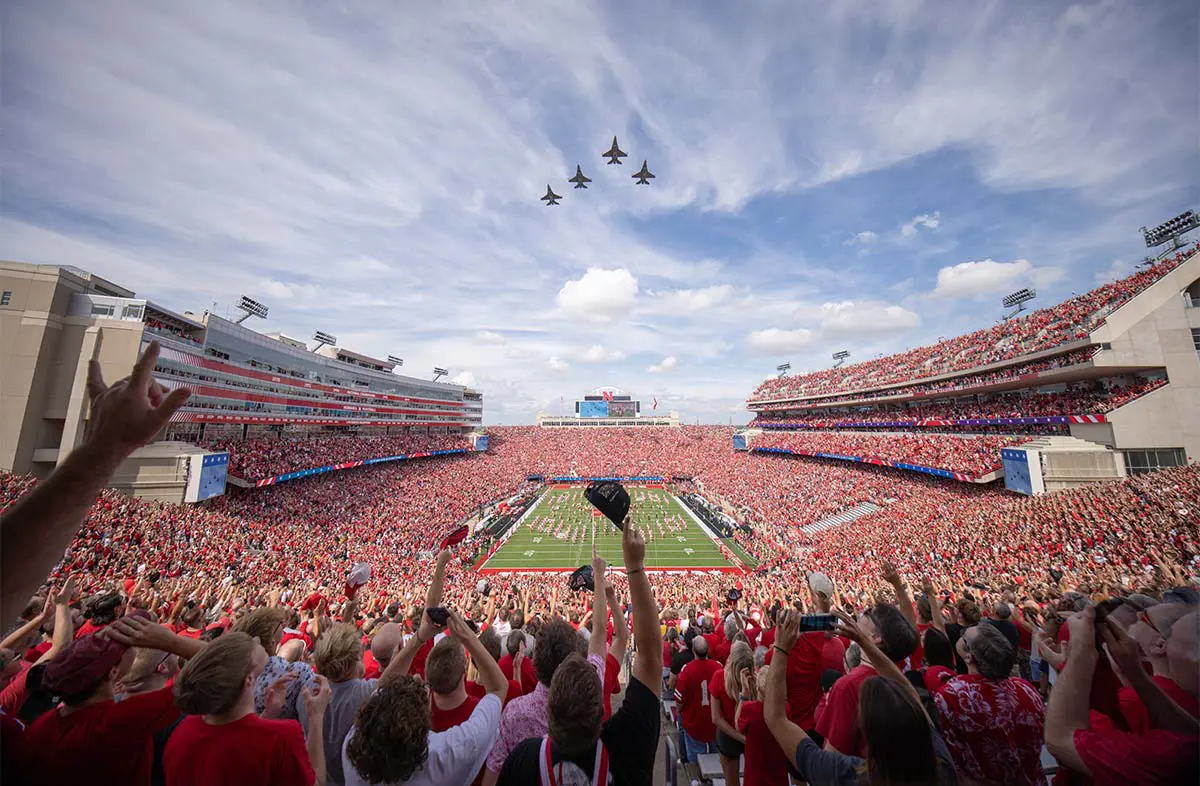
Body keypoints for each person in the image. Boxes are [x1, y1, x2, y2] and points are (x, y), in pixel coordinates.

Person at [497, 516, 662, 786]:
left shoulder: (523, 758)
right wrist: (633, 568)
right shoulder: (628, 740)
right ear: (600, 709)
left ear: (549, 710)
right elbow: (650, 656)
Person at [765, 610, 956, 785]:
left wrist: (781, 649)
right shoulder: (943, 768)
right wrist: (865, 641)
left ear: (866, 728)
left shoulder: (848, 773)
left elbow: (776, 718)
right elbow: (912, 696)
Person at [16, 614, 203, 785]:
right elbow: (220, 662)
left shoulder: (42, 725)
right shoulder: (117, 720)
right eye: (126, 647)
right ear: (113, 672)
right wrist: (171, 642)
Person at [343, 608, 506, 786]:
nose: (417, 677)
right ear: (424, 721)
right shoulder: (443, 755)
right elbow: (499, 688)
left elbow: (381, 687)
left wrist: (420, 637)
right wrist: (469, 638)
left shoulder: (354, 746)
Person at [1044, 608, 1199, 784]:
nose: (1138, 616)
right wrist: (1132, 670)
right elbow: (1188, 732)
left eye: (1170, 638)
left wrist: (1078, 652)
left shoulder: (1174, 755)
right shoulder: (1188, 737)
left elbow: (1062, 738)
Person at [163, 631, 331, 785]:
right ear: (249, 680)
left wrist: (268, 714)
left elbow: (233, 745)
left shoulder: (184, 729)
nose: (256, 640)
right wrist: (316, 717)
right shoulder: (282, 737)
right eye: (251, 645)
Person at [932, 623, 1045, 784]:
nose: (961, 635)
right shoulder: (1025, 688)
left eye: (964, 638)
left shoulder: (952, 695)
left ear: (969, 657)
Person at [816, 603, 918, 756]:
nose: (863, 611)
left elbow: (833, 759)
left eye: (869, 612)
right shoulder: (901, 672)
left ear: (876, 637)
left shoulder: (848, 685)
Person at [302, 623, 378, 786]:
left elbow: (335, 652)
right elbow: (392, 677)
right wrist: (419, 638)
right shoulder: (365, 693)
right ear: (355, 660)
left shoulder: (305, 691)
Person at [675, 634, 722, 768]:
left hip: (694, 720)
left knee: (695, 760)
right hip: (714, 720)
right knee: (716, 759)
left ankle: (696, 779)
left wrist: (681, 712)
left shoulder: (687, 670)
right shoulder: (718, 667)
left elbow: (679, 700)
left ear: (693, 651)